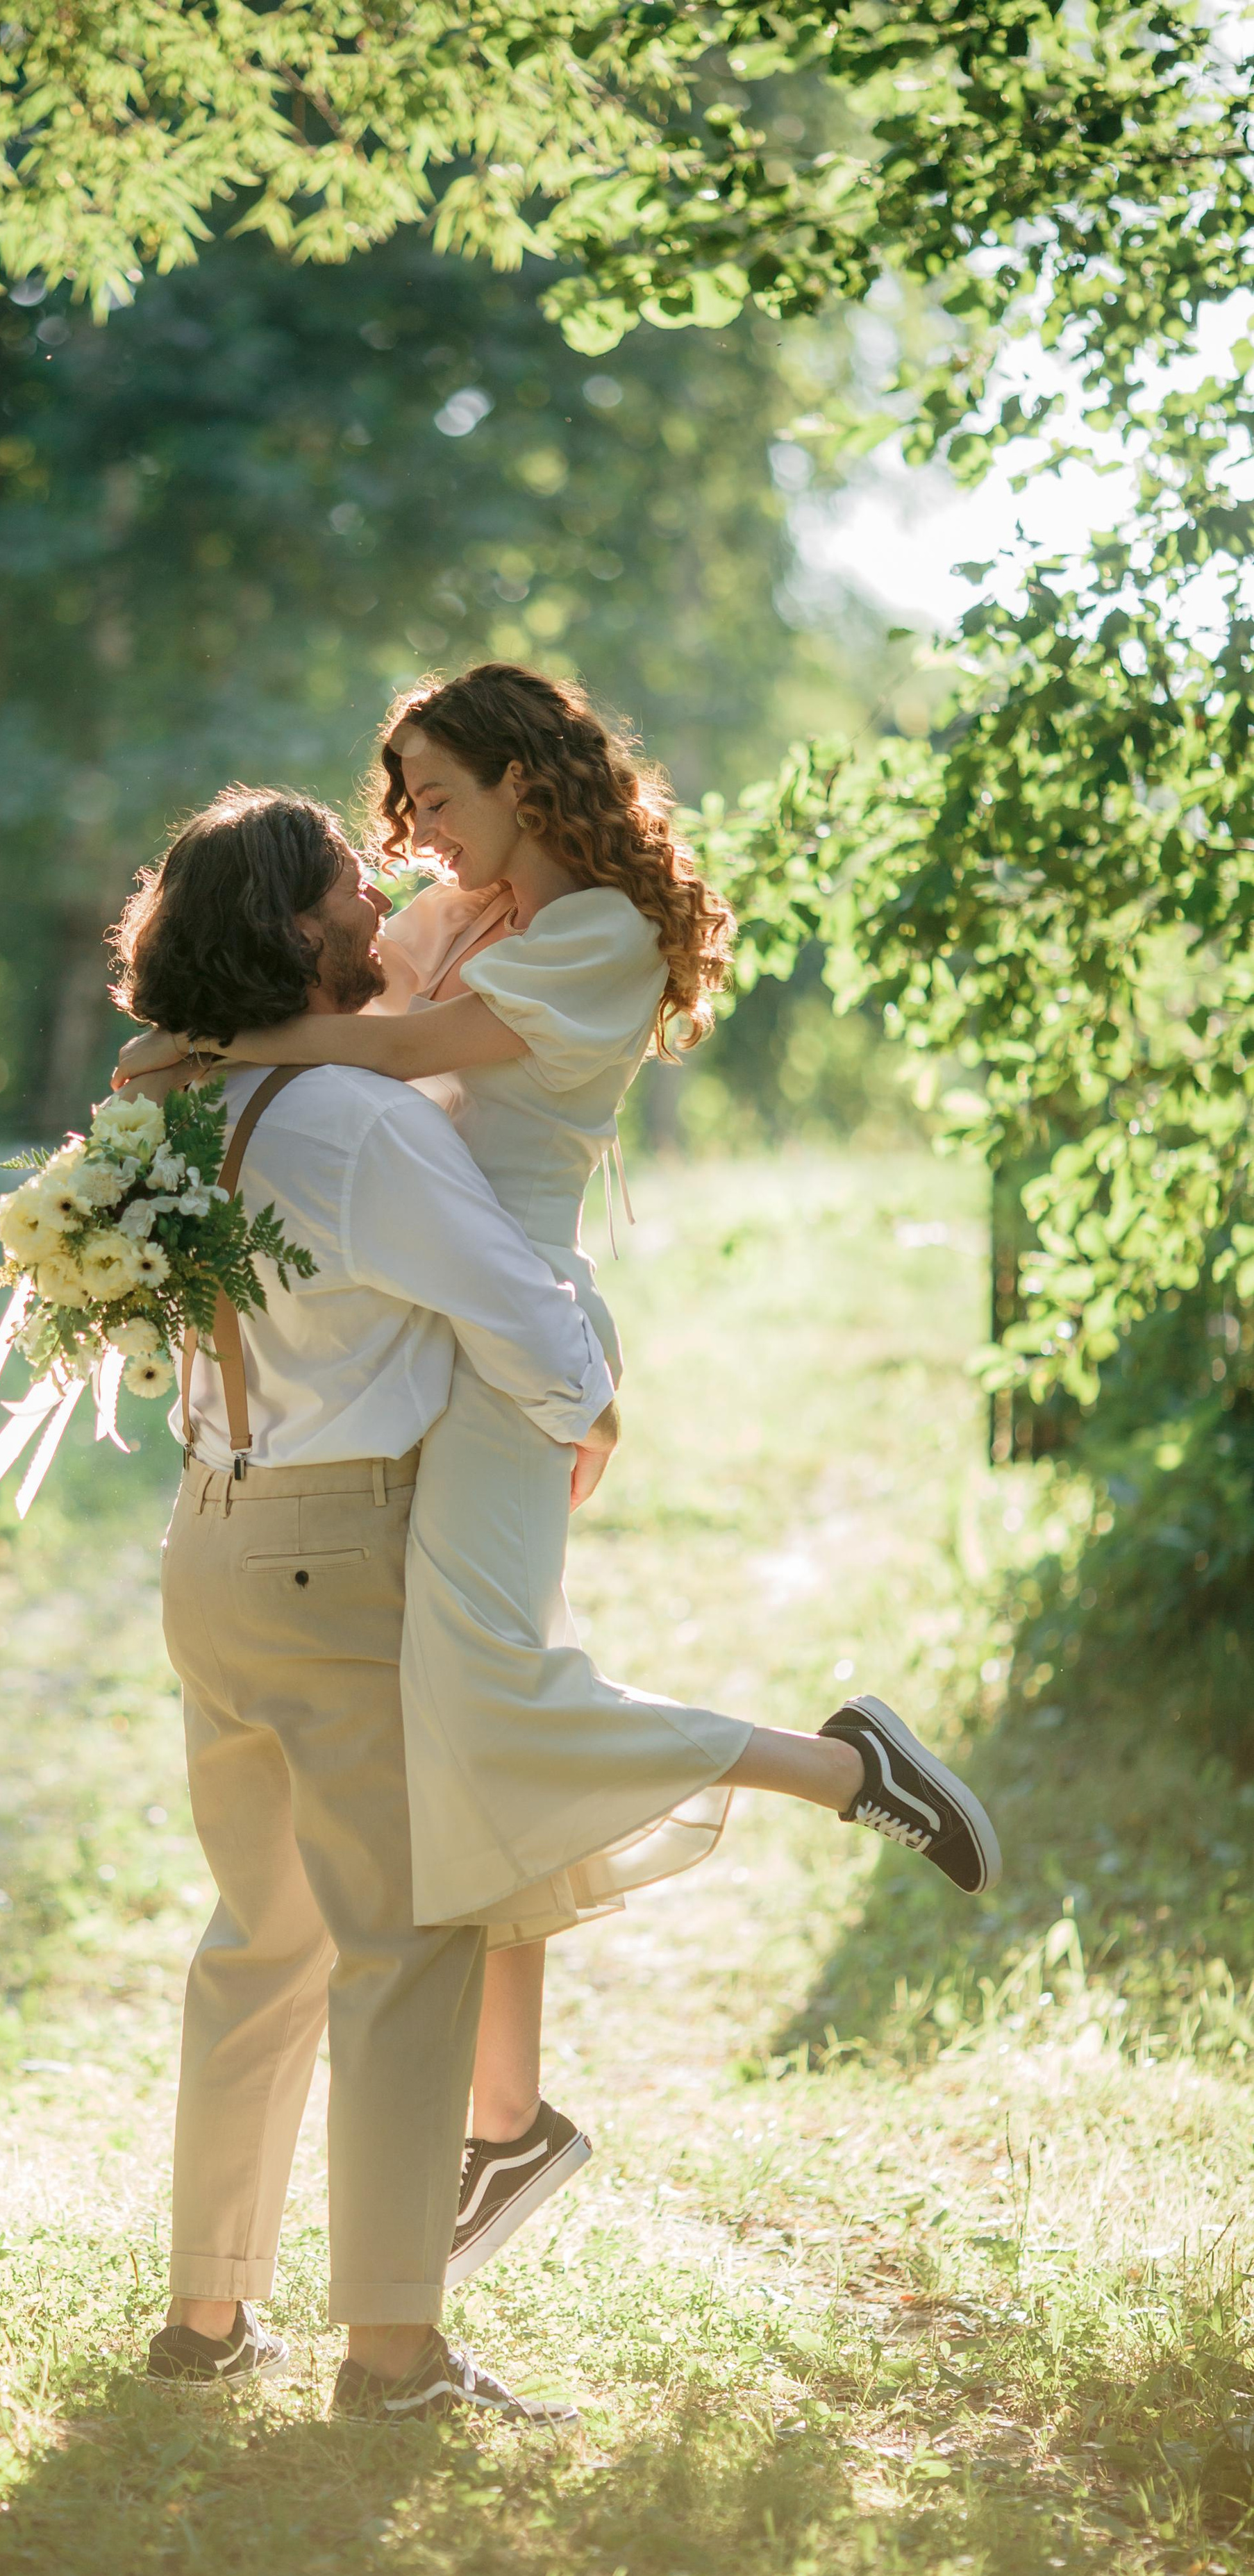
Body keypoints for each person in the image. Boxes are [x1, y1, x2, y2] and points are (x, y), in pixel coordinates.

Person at [117, 666, 1001, 2291]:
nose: (410, 835)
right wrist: (227, 1023)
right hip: (433, 1328)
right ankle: (506, 2115)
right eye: (397, 807)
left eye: (435, 796)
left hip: (508, 1328)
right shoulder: (451, 914)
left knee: (494, 1694)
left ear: (530, 779)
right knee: (468, 1721)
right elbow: (326, 990)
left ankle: (831, 1768)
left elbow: (387, 1057)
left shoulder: (595, 932)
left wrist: (212, 1049)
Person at [117, 786, 615, 2423]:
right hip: (343, 1554)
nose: (380, 887)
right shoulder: (363, 1121)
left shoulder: (179, 1105)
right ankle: (393, 2353)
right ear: (290, 931)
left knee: (257, 1937)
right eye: (347, 880)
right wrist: (586, 1412)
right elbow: (515, 1314)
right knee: (403, 1947)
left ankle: (205, 2314)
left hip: (210, 1539)